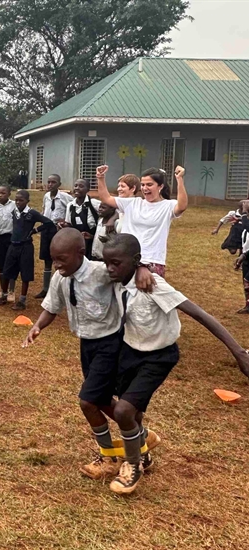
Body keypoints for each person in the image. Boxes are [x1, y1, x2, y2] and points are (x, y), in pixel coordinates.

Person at [102, 233, 249, 494]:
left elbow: (200, 314)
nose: (110, 268)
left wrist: (239, 353)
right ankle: (143, 447)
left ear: (134, 261)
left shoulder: (153, 285)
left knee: (123, 411)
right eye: (107, 263)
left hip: (158, 357)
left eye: (116, 263)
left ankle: (132, 465)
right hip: (129, 351)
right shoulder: (113, 277)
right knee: (132, 413)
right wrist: (138, 265)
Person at [23, 229, 156, 481]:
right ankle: (140, 442)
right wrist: (38, 325)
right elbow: (52, 307)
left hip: (110, 344)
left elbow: (126, 268)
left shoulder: (100, 272)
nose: (57, 264)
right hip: (87, 345)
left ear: (80, 253)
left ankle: (108, 457)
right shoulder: (61, 277)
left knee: (87, 401)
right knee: (102, 400)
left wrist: (142, 268)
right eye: (54, 258)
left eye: (62, 258)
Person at [97, 165, 188, 277]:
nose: (145, 188)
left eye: (149, 185)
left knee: (148, 294)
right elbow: (106, 198)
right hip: (127, 260)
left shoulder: (168, 206)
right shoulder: (132, 203)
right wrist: (100, 177)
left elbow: (182, 206)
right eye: (143, 185)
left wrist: (179, 179)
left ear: (160, 186)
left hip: (152, 261)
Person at [0, 190, 54, 310]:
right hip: (13, 245)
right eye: (16, 200)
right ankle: (4, 295)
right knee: (7, 271)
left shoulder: (31, 213)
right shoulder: (14, 212)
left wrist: (35, 230)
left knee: (25, 274)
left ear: (27, 201)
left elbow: (48, 222)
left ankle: (22, 300)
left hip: (25, 246)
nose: (18, 202)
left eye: (21, 200)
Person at [37, 174, 72, 299]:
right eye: (49, 182)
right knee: (47, 259)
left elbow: (73, 207)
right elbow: (44, 210)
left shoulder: (65, 197)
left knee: (60, 259)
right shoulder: (46, 196)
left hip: (58, 230)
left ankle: (59, 290)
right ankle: (45, 289)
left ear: (59, 184)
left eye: (53, 182)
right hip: (47, 229)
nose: (50, 184)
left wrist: (66, 219)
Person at [63, 179, 101, 259]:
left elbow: (110, 210)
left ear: (88, 189)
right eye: (75, 186)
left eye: (81, 186)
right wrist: (63, 225)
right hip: (77, 243)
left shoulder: (93, 203)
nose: (77, 188)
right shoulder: (70, 206)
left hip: (92, 243)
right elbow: (69, 223)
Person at [0, 185, 16, 303]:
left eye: (3, 193)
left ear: (9, 194)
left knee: (11, 264)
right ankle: (3, 290)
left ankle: (11, 290)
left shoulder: (14, 205)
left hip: (12, 238)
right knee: (1, 266)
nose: (1, 195)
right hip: (0, 238)